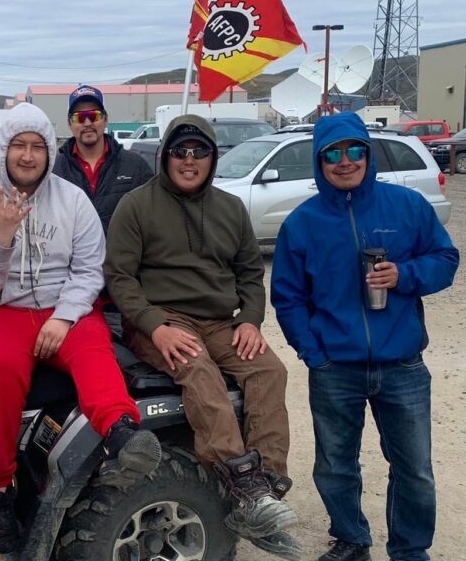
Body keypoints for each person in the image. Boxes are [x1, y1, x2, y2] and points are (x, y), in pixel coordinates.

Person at [0, 102, 162, 554]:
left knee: (91, 345)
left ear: (49, 153)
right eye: (19, 146)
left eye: (37, 147)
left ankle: (121, 430)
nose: (28, 156)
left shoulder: (72, 199)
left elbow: (89, 271)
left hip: (58, 306)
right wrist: (1, 238)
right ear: (5, 150)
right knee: (1, 370)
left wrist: (65, 316)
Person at [104, 114, 298, 552]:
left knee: (269, 370)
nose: (189, 161)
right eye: (180, 152)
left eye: (199, 153)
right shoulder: (136, 205)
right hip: (163, 319)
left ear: (212, 158)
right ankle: (239, 478)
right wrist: (154, 327)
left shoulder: (231, 208)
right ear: (165, 156)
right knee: (199, 372)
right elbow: (119, 277)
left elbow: (250, 272)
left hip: (220, 321)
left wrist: (250, 318)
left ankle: (266, 486)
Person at [271, 112, 459, 561]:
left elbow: (446, 259)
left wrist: (407, 274)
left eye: (355, 150)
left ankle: (410, 551)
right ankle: (352, 540)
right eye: (332, 153)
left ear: (368, 154)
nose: (344, 161)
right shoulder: (302, 223)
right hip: (336, 368)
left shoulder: (407, 206)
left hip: (403, 366)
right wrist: (314, 353)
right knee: (336, 468)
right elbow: (288, 298)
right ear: (319, 162)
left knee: (414, 469)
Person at [53, 84, 153, 233]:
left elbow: (152, 221)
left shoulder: (136, 167)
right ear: (69, 123)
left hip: (122, 256)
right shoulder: (55, 171)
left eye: (94, 115)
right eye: (79, 117)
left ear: (106, 119)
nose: (87, 123)